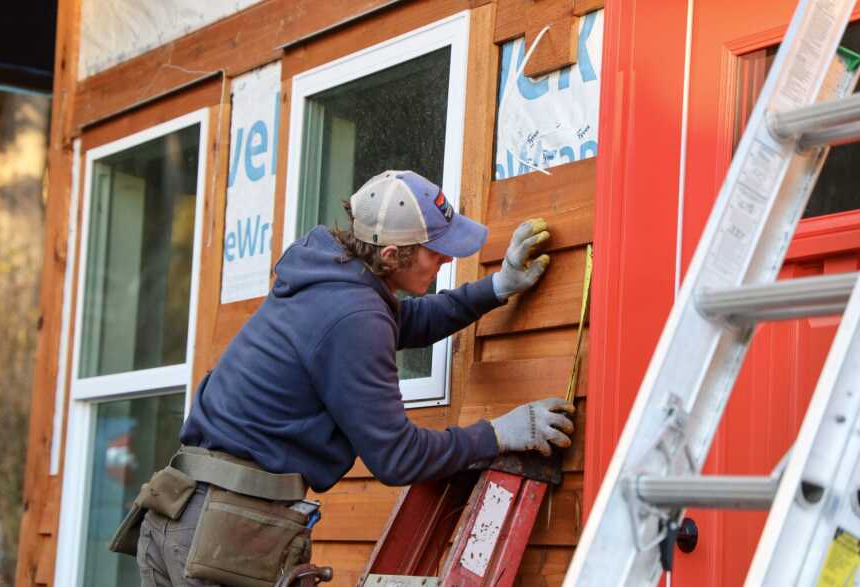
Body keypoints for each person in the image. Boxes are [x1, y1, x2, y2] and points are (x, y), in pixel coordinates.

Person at [133, 170, 574, 586]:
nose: (446, 257)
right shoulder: (354, 314)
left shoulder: (331, 278)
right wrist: (497, 434)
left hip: (179, 514)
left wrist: (498, 286)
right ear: (390, 255)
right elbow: (398, 457)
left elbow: (404, 320)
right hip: (223, 536)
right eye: (434, 249)